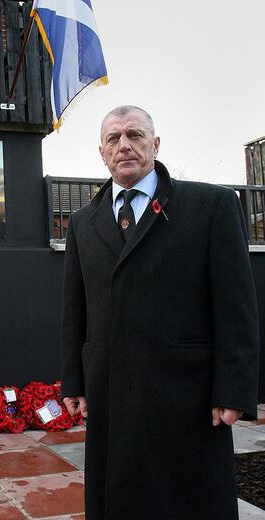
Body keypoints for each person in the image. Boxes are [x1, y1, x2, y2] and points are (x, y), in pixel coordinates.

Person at [60, 105, 259, 520]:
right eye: (113, 139)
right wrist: (75, 383)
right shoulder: (82, 222)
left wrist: (233, 388)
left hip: (187, 397)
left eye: (134, 134)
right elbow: (74, 310)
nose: (124, 145)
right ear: (102, 153)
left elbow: (236, 308)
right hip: (112, 394)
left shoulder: (210, 206)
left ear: (156, 144)